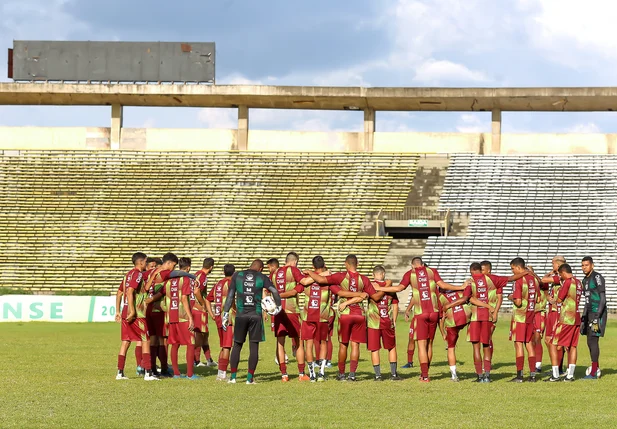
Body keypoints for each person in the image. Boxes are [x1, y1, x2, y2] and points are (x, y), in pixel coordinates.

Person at [373, 257, 464, 382]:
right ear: (422, 264)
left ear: (412, 265)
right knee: (430, 343)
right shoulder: (432, 271)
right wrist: (461, 286)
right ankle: (424, 372)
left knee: (421, 345)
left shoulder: (410, 274)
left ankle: (425, 376)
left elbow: (399, 288)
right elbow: (442, 285)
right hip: (433, 312)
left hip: (421, 313)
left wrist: (380, 288)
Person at [306, 254, 383, 382]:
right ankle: (352, 375)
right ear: (357, 264)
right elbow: (375, 297)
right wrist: (384, 290)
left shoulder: (341, 276)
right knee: (355, 345)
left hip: (345, 314)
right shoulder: (364, 279)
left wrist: (309, 271)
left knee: (343, 345)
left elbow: (321, 280)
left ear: (346, 264)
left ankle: (341, 374)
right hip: (359, 314)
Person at [222, 259, 282, 384]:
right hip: (256, 315)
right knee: (253, 346)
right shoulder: (261, 276)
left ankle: (233, 378)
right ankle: (249, 379)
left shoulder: (238, 275)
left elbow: (230, 295)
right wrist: (279, 307)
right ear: (260, 268)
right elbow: (275, 291)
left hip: (241, 315)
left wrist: (226, 313)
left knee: (237, 345)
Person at [465, 262, 526, 382]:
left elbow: (468, 298)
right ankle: (487, 376)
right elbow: (510, 278)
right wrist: (527, 272)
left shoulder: (470, 281)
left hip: (475, 317)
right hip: (488, 317)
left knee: (476, 347)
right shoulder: (493, 279)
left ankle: (479, 376)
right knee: (486, 345)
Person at [148, 262, 197, 379]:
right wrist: (190, 317)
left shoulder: (168, 283)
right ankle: (190, 374)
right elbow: (184, 299)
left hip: (171, 317)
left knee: (174, 344)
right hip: (183, 316)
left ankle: (176, 373)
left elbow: (159, 295)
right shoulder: (185, 280)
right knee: (191, 343)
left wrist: (147, 301)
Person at [116, 252, 159, 381]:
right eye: (146, 262)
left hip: (125, 312)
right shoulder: (138, 274)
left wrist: (118, 311)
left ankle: (120, 372)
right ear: (141, 262)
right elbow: (129, 291)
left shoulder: (127, 275)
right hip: (137, 314)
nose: (146, 264)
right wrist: (133, 311)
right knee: (145, 340)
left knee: (126, 341)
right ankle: (148, 373)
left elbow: (119, 293)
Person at [273, 252, 312, 382]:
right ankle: (301, 373)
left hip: (277, 310)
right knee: (299, 341)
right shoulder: (293, 269)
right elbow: (305, 281)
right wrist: (321, 275)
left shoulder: (275, 272)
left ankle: (284, 374)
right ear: (295, 261)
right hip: (291, 309)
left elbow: (267, 290)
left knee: (280, 342)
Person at [546, 263, 583, 382]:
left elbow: (560, 299)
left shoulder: (567, 282)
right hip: (576, 317)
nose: (560, 277)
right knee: (572, 345)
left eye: (560, 275)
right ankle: (570, 375)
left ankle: (555, 375)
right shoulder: (578, 282)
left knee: (552, 343)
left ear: (562, 272)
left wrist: (552, 300)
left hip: (566, 318)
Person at [143, 253, 178, 377]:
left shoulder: (149, 273)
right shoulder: (164, 273)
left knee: (152, 339)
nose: (173, 269)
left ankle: (151, 368)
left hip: (148, 310)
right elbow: (164, 290)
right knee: (163, 339)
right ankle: (163, 368)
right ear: (168, 263)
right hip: (159, 310)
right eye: (173, 266)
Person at [297, 256, 331, 382]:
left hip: (308, 315)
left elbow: (299, 287)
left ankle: (312, 374)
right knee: (323, 342)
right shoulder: (328, 278)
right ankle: (321, 373)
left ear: (312, 266)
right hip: (323, 315)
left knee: (309, 344)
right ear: (324, 264)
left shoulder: (306, 279)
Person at [365, 266, 401, 381]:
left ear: (373, 274)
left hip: (373, 322)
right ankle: (394, 374)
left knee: (374, 348)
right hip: (387, 321)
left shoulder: (370, 286)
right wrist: (394, 320)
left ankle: (378, 375)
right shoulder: (389, 287)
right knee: (391, 347)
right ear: (383, 274)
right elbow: (395, 306)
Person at [507, 257, 539, 382]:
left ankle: (519, 375)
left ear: (518, 267)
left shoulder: (519, 280)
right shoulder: (534, 280)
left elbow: (518, 302)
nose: (512, 271)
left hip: (520, 317)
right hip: (530, 315)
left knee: (518, 343)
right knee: (529, 344)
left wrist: (511, 297)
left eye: (513, 268)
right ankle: (532, 375)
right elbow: (536, 299)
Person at [206, 264, 236, 381]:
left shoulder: (218, 284)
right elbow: (231, 298)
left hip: (218, 317)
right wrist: (236, 311)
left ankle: (220, 373)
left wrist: (212, 314)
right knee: (227, 346)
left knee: (224, 346)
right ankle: (223, 374)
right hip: (227, 318)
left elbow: (208, 299)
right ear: (233, 273)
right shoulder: (230, 283)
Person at [581, 256, 607, 380]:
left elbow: (603, 298)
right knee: (589, 341)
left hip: (597, 313)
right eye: (582, 265)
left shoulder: (597, 277)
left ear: (592, 265)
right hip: (589, 314)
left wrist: (598, 315)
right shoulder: (584, 280)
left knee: (593, 340)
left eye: (586, 265)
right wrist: (583, 317)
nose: (584, 267)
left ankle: (593, 372)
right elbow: (586, 301)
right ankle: (595, 368)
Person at [439, 280, 471, 382]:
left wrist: (443, 333)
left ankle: (454, 375)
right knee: (477, 344)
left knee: (451, 348)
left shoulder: (440, 298)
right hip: (467, 316)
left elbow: (442, 318)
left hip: (453, 321)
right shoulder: (459, 292)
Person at [540, 256, 567, 375]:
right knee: (549, 340)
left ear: (558, 264)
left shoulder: (561, 276)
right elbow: (544, 285)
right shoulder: (556, 276)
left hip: (558, 312)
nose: (552, 266)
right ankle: (557, 368)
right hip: (552, 311)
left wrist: (550, 273)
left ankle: (558, 369)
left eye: (553, 264)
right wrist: (546, 295)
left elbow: (543, 280)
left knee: (555, 342)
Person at [192, 257, 216, 368]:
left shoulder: (197, 274)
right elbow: (196, 291)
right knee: (199, 334)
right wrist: (203, 305)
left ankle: (209, 359)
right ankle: (196, 360)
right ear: (211, 267)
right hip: (198, 310)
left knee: (205, 333)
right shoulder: (203, 276)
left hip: (195, 308)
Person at [266, 257, 288, 364]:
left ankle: (280, 354)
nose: (269, 270)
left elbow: (265, 291)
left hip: (280, 308)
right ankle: (279, 355)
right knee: (280, 334)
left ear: (273, 266)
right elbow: (265, 291)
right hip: (278, 308)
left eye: (269, 267)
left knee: (281, 334)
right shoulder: (273, 276)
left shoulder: (273, 275)